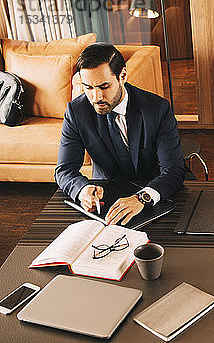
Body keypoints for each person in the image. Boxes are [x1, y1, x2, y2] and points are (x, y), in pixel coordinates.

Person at [55, 43, 185, 226]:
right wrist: (82, 189)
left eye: (104, 86)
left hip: (155, 196)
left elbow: (174, 171)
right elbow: (64, 170)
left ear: (123, 76)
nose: (96, 97)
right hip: (106, 201)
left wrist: (143, 198)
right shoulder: (76, 112)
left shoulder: (157, 109)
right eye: (88, 88)